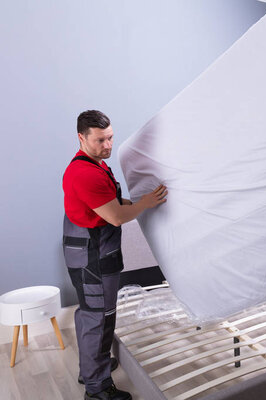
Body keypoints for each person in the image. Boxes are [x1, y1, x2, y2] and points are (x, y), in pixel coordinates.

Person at [63, 110, 167, 400]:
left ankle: (90, 368)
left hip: (86, 252)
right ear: (81, 137)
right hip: (93, 258)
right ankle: (97, 389)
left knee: (89, 313)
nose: (108, 145)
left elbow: (109, 201)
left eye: (110, 138)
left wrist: (136, 202)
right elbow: (117, 217)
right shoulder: (85, 173)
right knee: (100, 318)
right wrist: (145, 203)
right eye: (100, 140)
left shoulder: (93, 163)